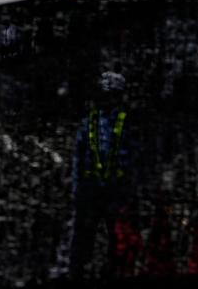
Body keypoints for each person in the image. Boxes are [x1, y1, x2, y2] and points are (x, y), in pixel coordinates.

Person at [70, 68, 140, 279]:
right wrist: (76, 189)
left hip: (116, 190)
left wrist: (132, 191)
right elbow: (78, 158)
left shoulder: (128, 123)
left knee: (117, 238)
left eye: (112, 96)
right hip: (91, 189)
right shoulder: (89, 122)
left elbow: (136, 158)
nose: (108, 100)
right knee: (84, 237)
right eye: (105, 95)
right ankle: (79, 271)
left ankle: (114, 270)